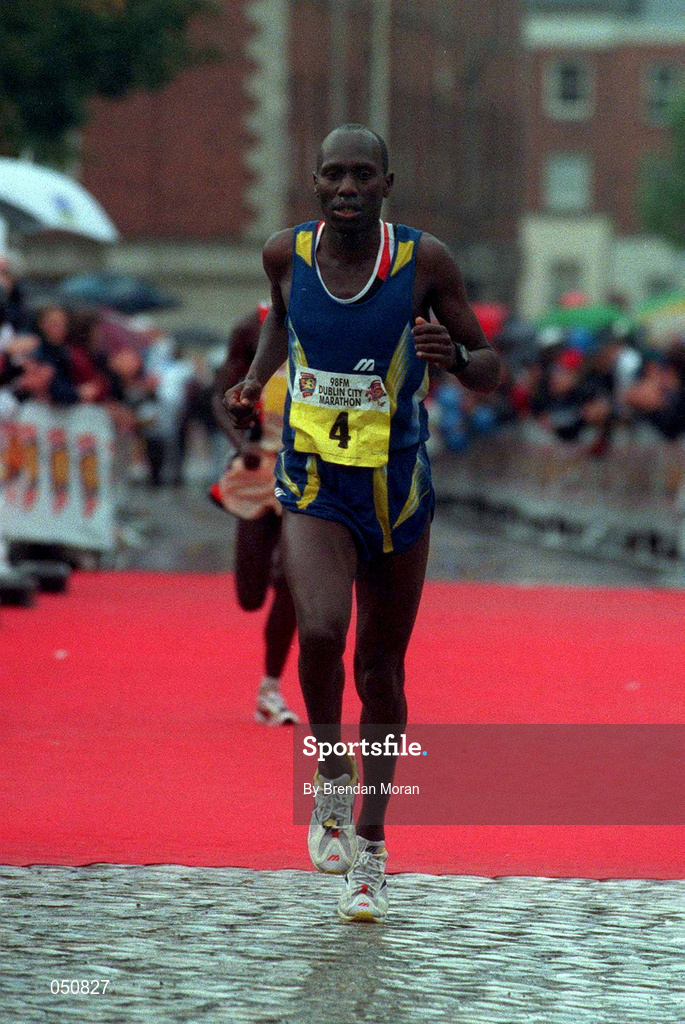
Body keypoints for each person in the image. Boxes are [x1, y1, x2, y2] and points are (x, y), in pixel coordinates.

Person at [224, 124, 500, 923]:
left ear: (386, 184)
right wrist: (253, 377)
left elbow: (491, 368)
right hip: (313, 481)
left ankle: (371, 849)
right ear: (314, 183)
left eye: (361, 176)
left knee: (380, 669)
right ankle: (332, 776)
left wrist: (450, 355)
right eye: (332, 175)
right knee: (317, 629)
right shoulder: (286, 254)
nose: (345, 187)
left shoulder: (425, 262)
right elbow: (282, 319)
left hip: (398, 488)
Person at [212, 303, 299, 726]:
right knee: (250, 596)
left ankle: (270, 687)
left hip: (308, 469)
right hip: (258, 467)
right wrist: (239, 442)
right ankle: (272, 563)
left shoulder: (331, 321)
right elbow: (218, 395)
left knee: (290, 580)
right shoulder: (251, 328)